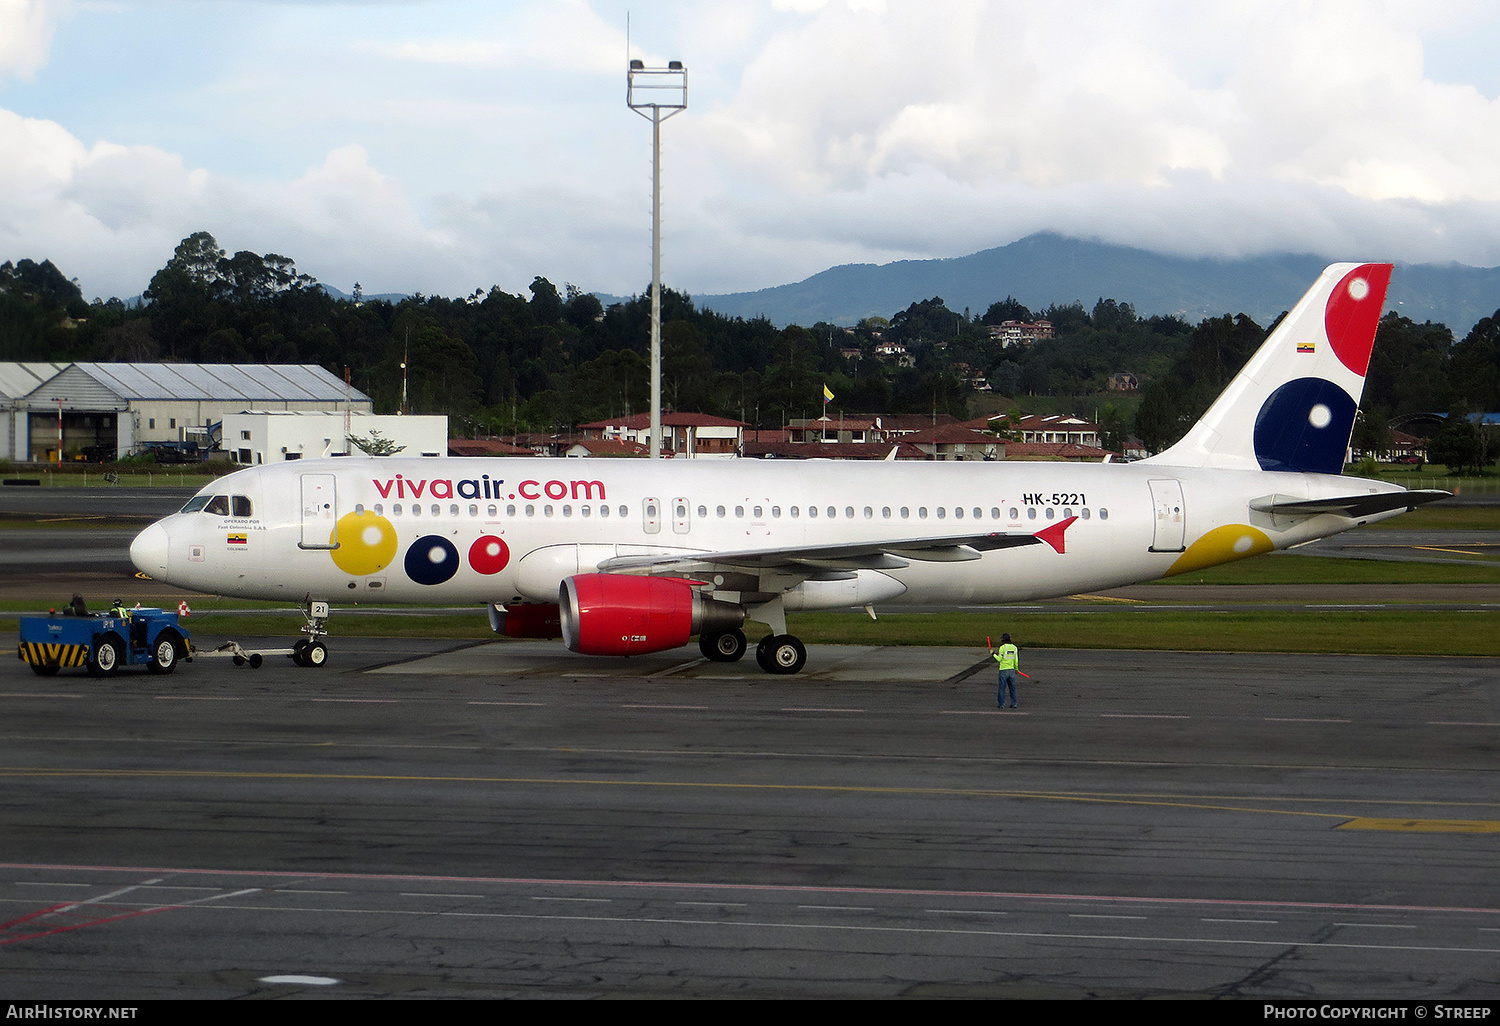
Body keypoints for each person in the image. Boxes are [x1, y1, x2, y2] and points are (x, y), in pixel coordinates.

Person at [991, 632, 1019, 709]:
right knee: (1012, 688)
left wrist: (993, 654)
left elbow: (999, 659)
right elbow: (1016, 660)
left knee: (1002, 688)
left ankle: (1001, 704)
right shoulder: (1014, 648)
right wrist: (1016, 669)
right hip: (1011, 670)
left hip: (1003, 670)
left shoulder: (1002, 648)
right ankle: (1014, 703)